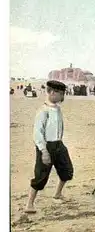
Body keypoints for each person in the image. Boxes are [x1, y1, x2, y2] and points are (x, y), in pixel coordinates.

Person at [25, 80, 73, 213]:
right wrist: (44, 151)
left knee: (67, 171)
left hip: (59, 144)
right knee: (40, 176)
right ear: (52, 92)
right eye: (60, 94)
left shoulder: (57, 108)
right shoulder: (43, 111)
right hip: (46, 146)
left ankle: (58, 193)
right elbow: (37, 133)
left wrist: (60, 144)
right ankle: (29, 204)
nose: (62, 97)